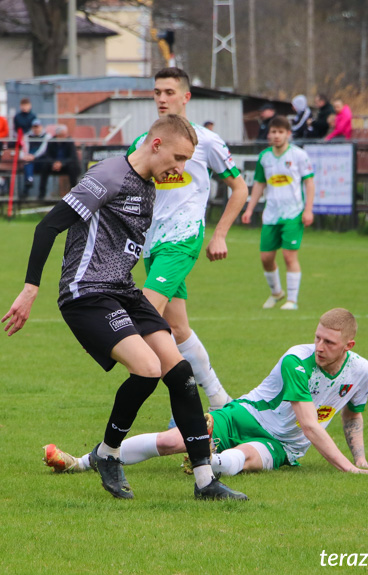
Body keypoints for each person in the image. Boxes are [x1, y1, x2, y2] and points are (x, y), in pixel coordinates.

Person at [2, 114, 247, 501]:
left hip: (122, 291)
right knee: (148, 369)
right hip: (87, 293)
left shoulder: (148, 187)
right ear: (156, 145)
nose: (181, 169)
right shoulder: (110, 176)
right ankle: (108, 454)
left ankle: (205, 482)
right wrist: (31, 288)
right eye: (179, 158)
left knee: (179, 372)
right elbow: (48, 225)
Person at [44, 309, 368, 478]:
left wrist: (359, 458)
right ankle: (81, 463)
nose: (319, 347)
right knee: (169, 442)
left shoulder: (361, 371)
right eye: (317, 338)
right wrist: (350, 470)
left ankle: (206, 459)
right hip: (243, 414)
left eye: (329, 342)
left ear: (349, 345)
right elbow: (311, 425)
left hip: (281, 444)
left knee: (242, 461)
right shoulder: (296, 361)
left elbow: (352, 414)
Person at [127, 67, 249, 411]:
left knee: (146, 315)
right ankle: (220, 400)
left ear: (185, 97)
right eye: (157, 92)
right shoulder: (145, 142)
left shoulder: (206, 141)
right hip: (152, 243)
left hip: (182, 238)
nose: (162, 99)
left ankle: (184, 407)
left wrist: (219, 234)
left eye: (169, 92)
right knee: (177, 329)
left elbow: (239, 188)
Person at [241, 116, 315, 311]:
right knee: (266, 258)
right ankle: (276, 293)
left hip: (293, 213)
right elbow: (259, 184)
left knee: (289, 257)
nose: (276, 135)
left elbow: (309, 182)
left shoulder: (299, 155)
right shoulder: (264, 157)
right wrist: (250, 208)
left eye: (280, 132)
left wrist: (308, 210)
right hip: (271, 215)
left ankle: (292, 300)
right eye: (273, 132)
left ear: (288, 134)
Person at [36, 125, 81, 200]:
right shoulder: (51, 142)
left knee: (73, 167)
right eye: (62, 135)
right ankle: (42, 194)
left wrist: (61, 163)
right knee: (44, 166)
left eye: (65, 135)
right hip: (53, 165)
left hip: (66, 165)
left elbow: (73, 157)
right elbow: (47, 156)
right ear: (57, 135)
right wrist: (54, 163)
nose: (64, 137)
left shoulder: (69, 141)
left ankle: (74, 195)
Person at [19, 119, 51, 198]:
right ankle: (26, 188)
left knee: (43, 167)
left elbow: (43, 149)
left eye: (37, 127)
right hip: (30, 159)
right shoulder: (27, 136)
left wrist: (33, 156)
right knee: (27, 163)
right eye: (34, 127)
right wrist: (25, 156)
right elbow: (23, 148)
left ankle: (41, 193)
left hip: (42, 160)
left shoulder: (46, 136)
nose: (36, 129)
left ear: (41, 127)